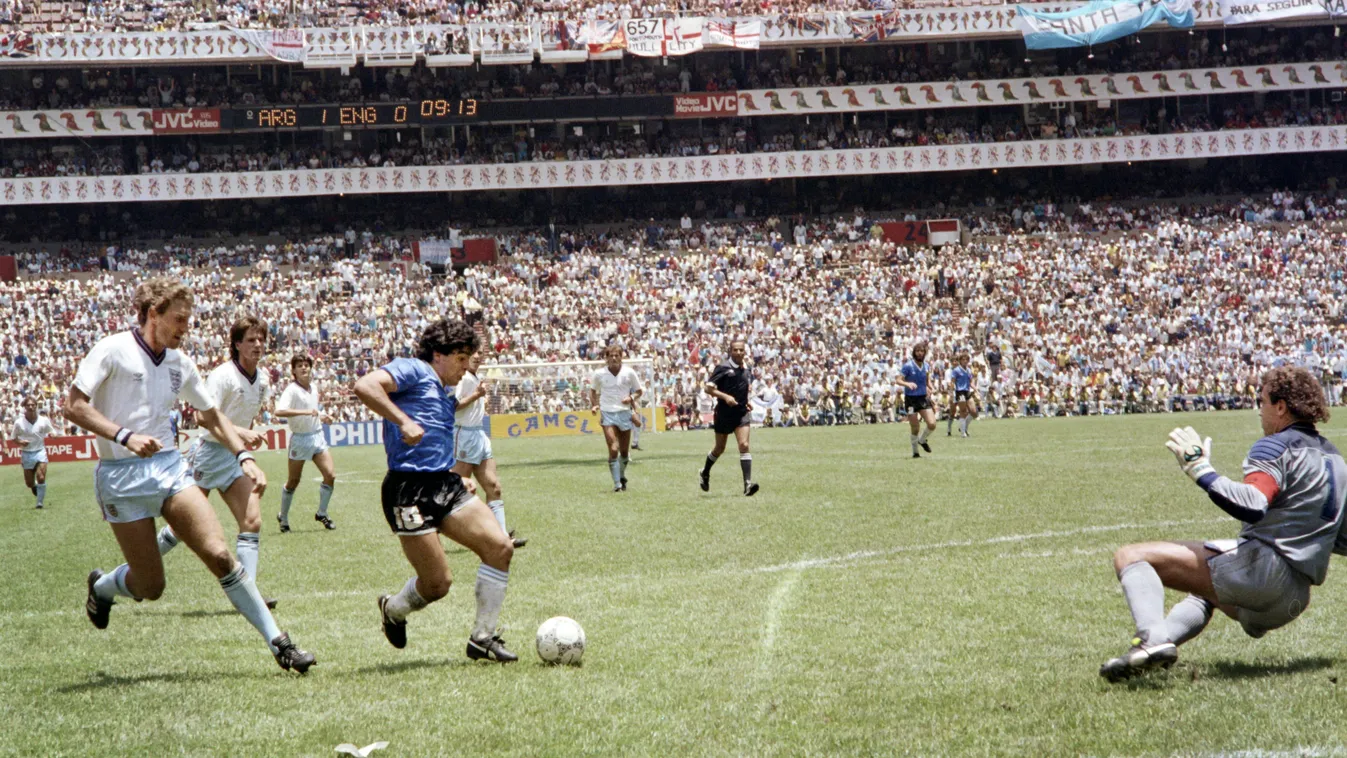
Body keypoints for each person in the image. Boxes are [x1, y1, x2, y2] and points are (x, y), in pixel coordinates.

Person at [68, 278, 313, 673]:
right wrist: (124, 436)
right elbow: (74, 406)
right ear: (154, 314)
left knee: (219, 554)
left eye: (188, 319)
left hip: (168, 468)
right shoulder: (111, 350)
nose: (186, 327)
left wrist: (244, 455)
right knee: (152, 587)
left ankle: (280, 644)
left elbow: (211, 413)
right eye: (179, 319)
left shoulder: (181, 364)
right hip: (120, 475)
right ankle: (102, 587)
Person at [1100, 366, 1347, 682]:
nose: (1260, 412)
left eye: (1262, 402)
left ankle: (1152, 640)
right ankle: (1149, 654)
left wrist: (1200, 468)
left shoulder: (1274, 446)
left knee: (1131, 556)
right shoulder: (1335, 458)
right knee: (1203, 592)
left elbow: (1252, 503)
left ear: (1281, 406)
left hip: (1264, 576)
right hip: (1295, 600)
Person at [354, 319, 517, 662]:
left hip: (444, 484)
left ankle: (482, 637)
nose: (465, 365)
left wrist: (457, 475)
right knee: (437, 585)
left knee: (500, 547)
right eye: (460, 357)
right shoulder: (413, 369)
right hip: (407, 490)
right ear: (438, 355)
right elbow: (365, 385)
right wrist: (402, 421)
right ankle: (393, 609)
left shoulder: (445, 391)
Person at [158, 316, 277, 609]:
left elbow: (243, 416)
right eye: (250, 340)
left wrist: (242, 442)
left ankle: (247, 594)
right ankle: (129, 569)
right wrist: (241, 433)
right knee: (181, 529)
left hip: (233, 457)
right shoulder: (223, 375)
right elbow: (201, 417)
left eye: (261, 339)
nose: (258, 345)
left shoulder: (262, 379)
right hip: (209, 454)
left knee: (252, 520)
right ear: (236, 345)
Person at [452, 351, 526, 548]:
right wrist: (477, 394)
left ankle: (501, 537)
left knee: (494, 487)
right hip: (464, 435)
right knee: (457, 490)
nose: (477, 357)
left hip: (479, 434)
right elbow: (453, 406)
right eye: (472, 353)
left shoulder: (474, 377)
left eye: (479, 353)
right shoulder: (463, 378)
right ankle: (431, 526)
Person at [275, 355, 336, 532]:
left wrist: (324, 416)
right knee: (293, 481)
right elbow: (279, 411)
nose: (304, 368)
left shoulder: (314, 388)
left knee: (330, 475)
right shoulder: (291, 390)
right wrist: (306, 412)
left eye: (306, 365)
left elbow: (313, 411)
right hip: (300, 440)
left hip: (317, 436)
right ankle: (283, 518)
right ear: (293, 370)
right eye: (299, 366)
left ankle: (322, 513)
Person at [699, 338, 759, 496]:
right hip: (724, 414)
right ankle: (705, 472)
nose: (739, 352)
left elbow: (741, 389)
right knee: (719, 448)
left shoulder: (746, 369)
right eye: (735, 350)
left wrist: (746, 403)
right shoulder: (723, 367)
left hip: (741, 414)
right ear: (730, 352)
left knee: (744, 445)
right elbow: (708, 388)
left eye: (741, 350)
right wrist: (725, 397)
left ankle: (747, 485)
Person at [589, 344, 644, 493]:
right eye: (611, 356)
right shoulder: (599, 374)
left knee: (624, 452)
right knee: (613, 449)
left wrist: (631, 397)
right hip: (607, 412)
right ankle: (617, 485)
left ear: (621, 357)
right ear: (606, 358)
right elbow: (593, 391)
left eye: (616, 355)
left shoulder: (629, 373)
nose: (614, 358)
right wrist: (594, 405)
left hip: (624, 412)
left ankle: (621, 476)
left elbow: (639, 391)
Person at [9, 396, 53, 509]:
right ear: (24, 407)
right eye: (28, 405)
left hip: (40, 450)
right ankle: (34, 486)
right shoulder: (19, 422)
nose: (31, 407)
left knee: (41, 477)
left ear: (36, 406)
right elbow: (13, 437)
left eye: (33, 405)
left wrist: (53, 435)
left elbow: (50, 431)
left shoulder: (43, 420)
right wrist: (20, 442)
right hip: (27, 453)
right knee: (29, 483)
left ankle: (40, 503)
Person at [899, 342, 938, 458]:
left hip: (922, 398)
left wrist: (931, 387)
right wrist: (907, 383)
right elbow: (898, 380)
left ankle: (922, 440)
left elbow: (927, 381)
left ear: (924, 353)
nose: (920, 353)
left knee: (932, 424)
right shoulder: (908, 366)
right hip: (911, 399)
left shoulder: (926, 366)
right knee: (915, 427)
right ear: (914, 353)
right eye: (917, 351)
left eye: (922, 351)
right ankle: (915, 452)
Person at [947, 353, 975, 438]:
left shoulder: (967, 369)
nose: (955, 362)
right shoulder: (949, 371)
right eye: (953, 361)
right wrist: (951, 393)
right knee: (953, 412)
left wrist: (975, 389)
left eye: (956, 361)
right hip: (956, 392)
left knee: (971, 411)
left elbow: (970, 381)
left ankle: (962, 428)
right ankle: (949, 429)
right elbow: (950, 382)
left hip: (964, 392)